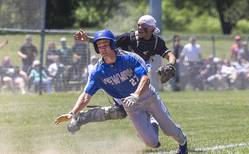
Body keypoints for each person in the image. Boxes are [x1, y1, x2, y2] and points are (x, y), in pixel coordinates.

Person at [55, 29, 188, 154]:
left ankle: (183, 142)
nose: (103, 49)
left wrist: (136, 95)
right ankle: (151, 123)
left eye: (106, 45)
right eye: (100, 46)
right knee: (152, 143)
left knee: (169, 129)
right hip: (129, 104)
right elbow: (85, 96)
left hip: (148, 97)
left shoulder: (129, 58)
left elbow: (145, 79)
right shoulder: (98, 72)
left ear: (113, 44)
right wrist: (73, 112)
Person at [72, 15, 177, 135]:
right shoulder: (129, 37)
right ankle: (81, 118)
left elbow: (170, 55)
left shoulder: (156, 42)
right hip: (122, 76)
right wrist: (88, 39)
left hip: (139, 78)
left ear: (153, 29)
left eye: (144, 26)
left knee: (148, 105)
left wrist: (170, 64)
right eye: (139, 25)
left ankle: (151, 127)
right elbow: (108, 42)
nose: (140, 28)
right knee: (120, 112)